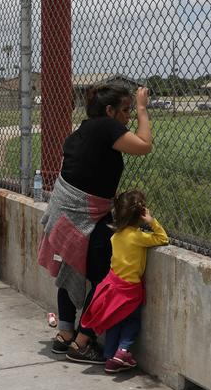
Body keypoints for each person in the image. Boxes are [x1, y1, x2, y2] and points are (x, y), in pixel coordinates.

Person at [38, 84, 152, 364]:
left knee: (70, 269)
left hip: (66, 213)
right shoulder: (105, 126)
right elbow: (144, 146)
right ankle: (82, 342)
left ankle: (65, 334)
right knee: (104, 280)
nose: (127, 118)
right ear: (109, 111)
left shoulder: (82, 131)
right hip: (86, 214)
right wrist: (142, 107)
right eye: (125, 111)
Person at [79, 190, 168, 373]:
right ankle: (123, 351)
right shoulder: (138, 237)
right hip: (129, 289)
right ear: (140, 213)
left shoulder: (115, 236)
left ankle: (110, 357)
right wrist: (151, 221)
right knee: (132, 322)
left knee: (115, 321)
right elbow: (162, 238)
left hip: (113, 285)